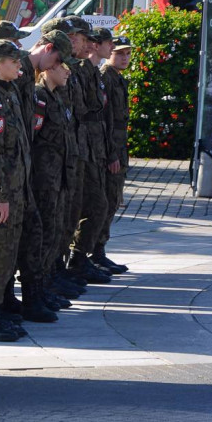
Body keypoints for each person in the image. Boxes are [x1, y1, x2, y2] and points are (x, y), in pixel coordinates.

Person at [0, 39, 39, 342]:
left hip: (15, 191)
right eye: (14, 63)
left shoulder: (8, 95)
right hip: (2, 194)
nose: (21, 69)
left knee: (7, 254)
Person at [31, 36, 80, 329]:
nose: (66, 71)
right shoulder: (39, 96)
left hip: (56, 177)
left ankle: (45, 286)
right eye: (62, 65)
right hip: (42, 179)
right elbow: (34, 139)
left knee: (54, 233)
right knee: (42, 236)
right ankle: (35, 291)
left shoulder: (55, 96)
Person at [67, 18, 113, 284]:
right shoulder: (79, 70)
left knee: (97, 203)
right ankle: (77, 258)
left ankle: (83, 257)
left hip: (91, 147)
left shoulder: (92, 71)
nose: (86, 44)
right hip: (79, 148)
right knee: (90, 205)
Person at [96, 35, 132, 274]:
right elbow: (106, 119)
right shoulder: (106, 78)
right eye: (119, 53)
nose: (124, 58)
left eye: (128, 54)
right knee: (105, 202)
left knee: (111, 202)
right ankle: (94, 251)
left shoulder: (118, 79)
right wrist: (111, 154)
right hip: (111, 148)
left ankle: (100, 249)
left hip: (119, 146)